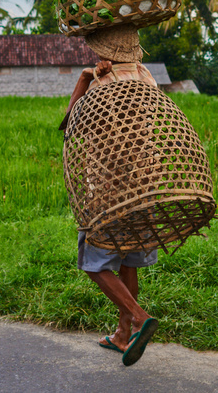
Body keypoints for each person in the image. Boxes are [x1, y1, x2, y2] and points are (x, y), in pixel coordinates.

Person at [61, 25, 160, 366]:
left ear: (101, 50)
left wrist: (85, 79)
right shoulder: (146, 76)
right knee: (129, 258)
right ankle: (122, 335)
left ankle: (138, 317)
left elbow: (71, 124)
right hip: (144, 186)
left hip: (108, 190)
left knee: (95, 264)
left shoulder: (101, 84)